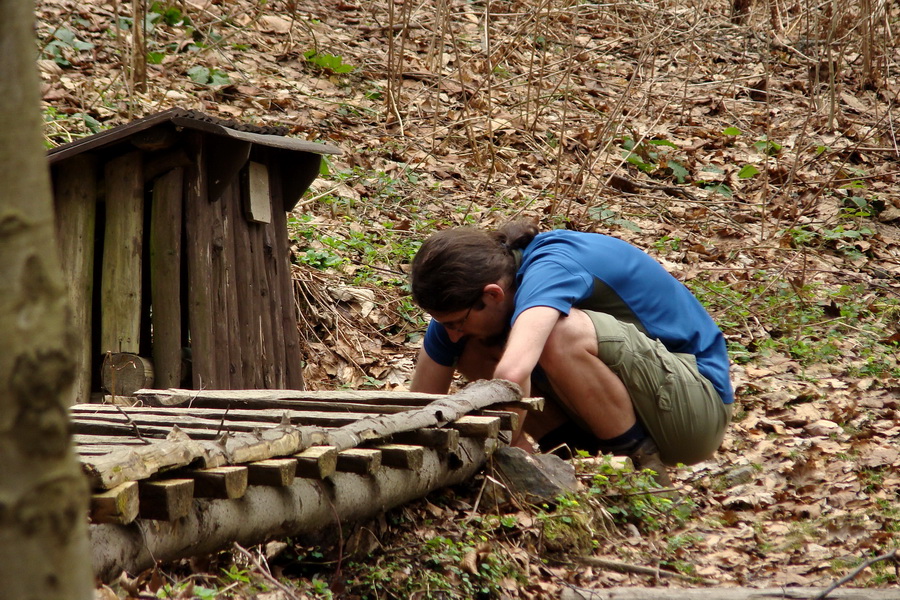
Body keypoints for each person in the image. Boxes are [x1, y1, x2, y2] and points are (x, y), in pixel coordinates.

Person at [408, 220, 734, 485]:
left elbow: (512, 374)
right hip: (629, 405)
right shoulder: (478, 296)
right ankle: (567, 468)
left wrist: (499, 453)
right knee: (469, 344)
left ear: (493, 295)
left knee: (557, 333)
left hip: (695, 411)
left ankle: (640, 472)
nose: (450, 332)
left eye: (455, 321)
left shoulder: (551, 267)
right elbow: (419, 404)